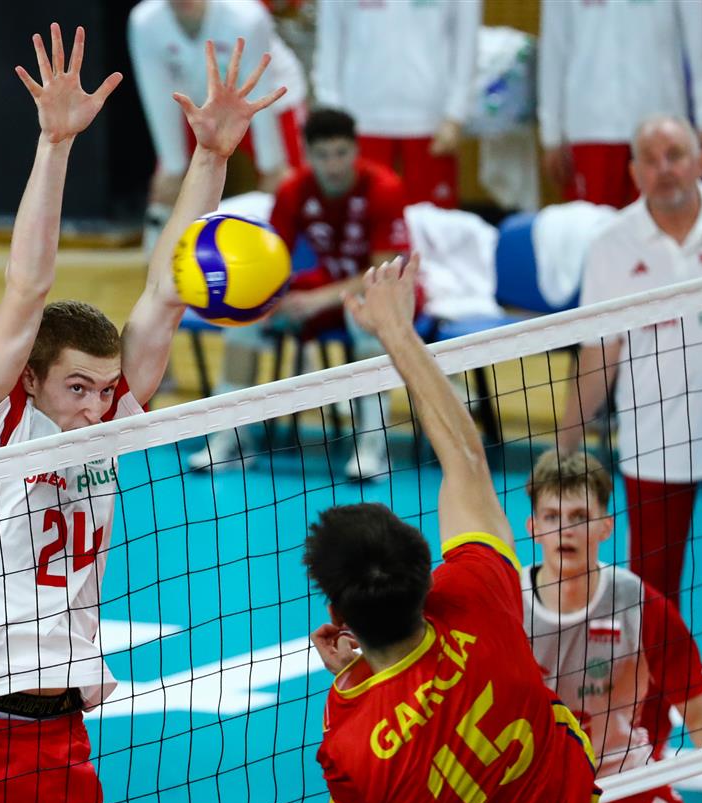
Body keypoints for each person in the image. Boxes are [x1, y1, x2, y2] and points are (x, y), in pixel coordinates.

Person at [0, 25, 284, 803]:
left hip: (67, 741)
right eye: (78, 387)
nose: (97, 406)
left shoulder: (109, 422)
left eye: (106, 388)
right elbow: (27, 288)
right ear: (31, 380)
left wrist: (211, 158)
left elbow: (166, 290)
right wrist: (55, 145)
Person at [306, 255, 600, 803]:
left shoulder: (354, 738)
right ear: (426, 570)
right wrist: (398, 331)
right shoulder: (477, 591)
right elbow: (466, 457)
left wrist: (352, 689)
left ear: (338, 613)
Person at [557, 115, 702, 757]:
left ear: (701, 159)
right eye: (651, 157)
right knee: (648, 606)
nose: (665, 167)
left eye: (676, 153)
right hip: (653, 453)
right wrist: (564, 445)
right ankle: (646, 738)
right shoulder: (612, 245)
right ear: (635, 172)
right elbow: (599, 353)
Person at [521, 449, 702, 803]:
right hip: (526, 785)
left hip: (617, 776)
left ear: (606, 526)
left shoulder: (639, 604)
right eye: (552, 517)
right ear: (533, 527)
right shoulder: (506, 604)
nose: (565, 530)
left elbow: (699, 716)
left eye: (580, 516)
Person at [188, 108, 412, 480]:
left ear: (356, 150)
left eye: (341, 153)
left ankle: (374, 444)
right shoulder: (294, 190)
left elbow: (382, 272)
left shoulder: (383, 187)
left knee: (367, 315)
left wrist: (315, 301)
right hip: (327, 286)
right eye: (323, 155)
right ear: (307, 154)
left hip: (386, 292)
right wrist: (262, 297)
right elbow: (271, 260)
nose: (333, 165)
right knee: (247, 314)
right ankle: (232, 440)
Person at [129, 0, 307, 247]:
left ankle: (299, 257)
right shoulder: (144, 22)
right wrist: (172, 166)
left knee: (287, 184)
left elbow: (260, 90)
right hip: (201, 103)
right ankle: (163, 263)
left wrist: (271, 165)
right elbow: (157, 95)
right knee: (167, 185)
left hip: (269, 100)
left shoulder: (247, 17)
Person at [539, 0, 702, 207]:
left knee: (661, 222)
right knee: (594, 224)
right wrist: (551, 134)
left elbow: (700, 45)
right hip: (590, 128)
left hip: (662, 122)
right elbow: (553, 49)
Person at [313, 0, 479, 209]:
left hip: (430, 121)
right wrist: (333, 118)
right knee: (360, 217)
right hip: (361, 119)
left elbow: (466, 40)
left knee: (434, 223)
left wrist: (456, 113)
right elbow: (329, 40)